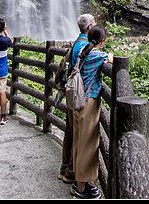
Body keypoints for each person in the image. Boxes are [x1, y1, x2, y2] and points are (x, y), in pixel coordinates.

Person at [70, 25, 113, 199]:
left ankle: (79, 181)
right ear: (102, 42)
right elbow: (113, 59)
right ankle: (81, 187)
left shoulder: (84, 52)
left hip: (76, 101)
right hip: (88, 103)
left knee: (79, 142)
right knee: (88, 145)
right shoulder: (96, 55)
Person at [59, 14, 96, 184]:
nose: (96, 25)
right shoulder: (83, 45)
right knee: (77, 134)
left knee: (71, 130)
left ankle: (65, 168)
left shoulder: (77, 42)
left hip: (72, 93)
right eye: (94, 23)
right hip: (79, 95)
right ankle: (73, 172)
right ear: (89, 27)